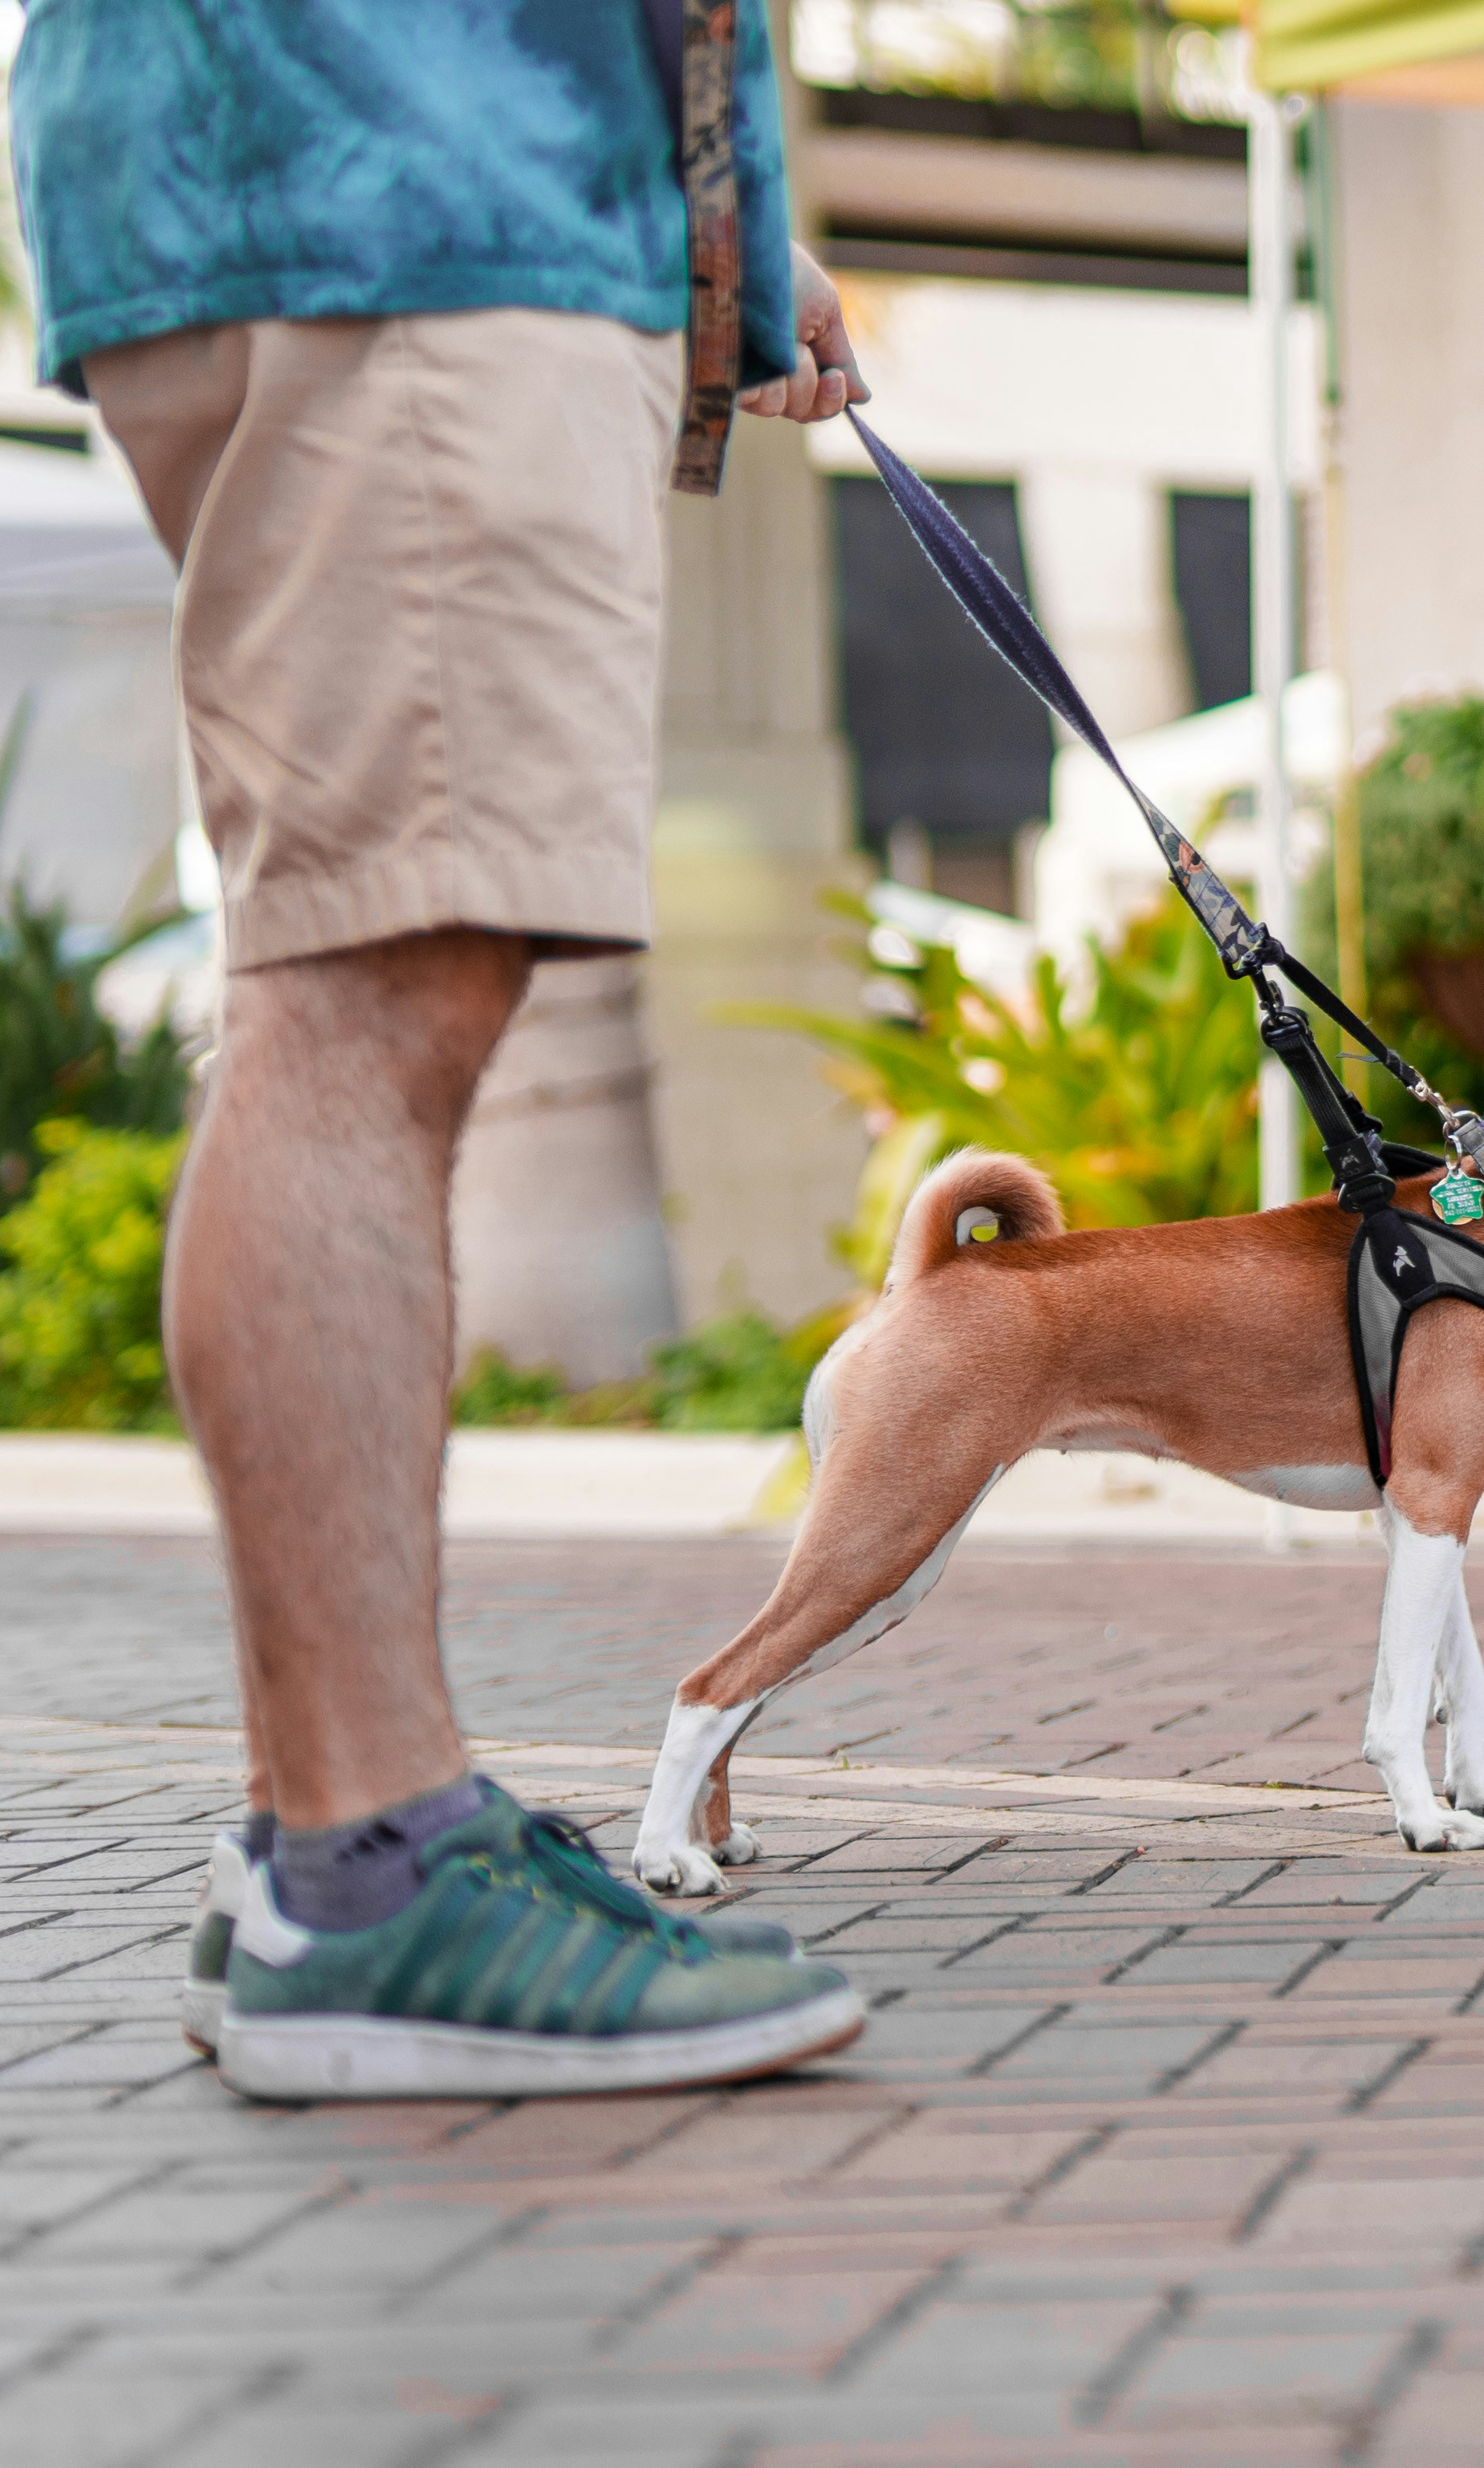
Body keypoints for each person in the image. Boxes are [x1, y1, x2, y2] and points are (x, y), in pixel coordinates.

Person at [12, 2, 877, 2100]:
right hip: (411, 171)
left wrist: (731, 245)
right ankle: (373, 1865)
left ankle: (322, 1836)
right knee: (370, 996)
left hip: (332, 163)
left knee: (342, 984)